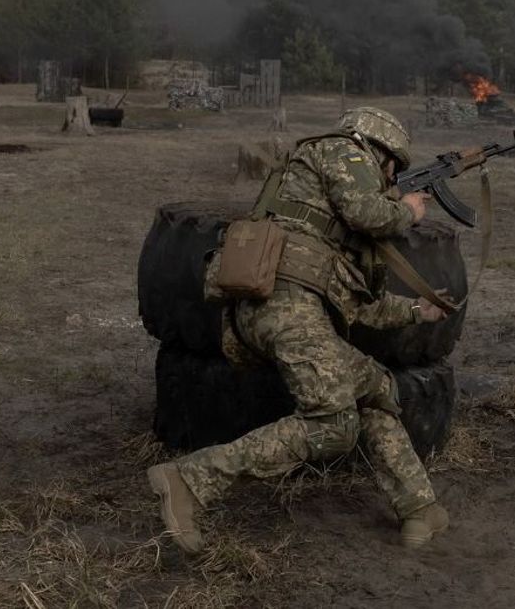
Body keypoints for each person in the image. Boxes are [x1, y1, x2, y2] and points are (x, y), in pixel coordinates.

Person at [148, 107, 451, 553]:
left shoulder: (320, 217)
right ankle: (190, 480)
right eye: (392, 170)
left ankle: (419, 508)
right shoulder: (342, 150)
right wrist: (406, 210)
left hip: (273, 309)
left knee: (375, 387)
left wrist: (416, 311)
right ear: (380, 149)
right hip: (287, 307)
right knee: (333, 424)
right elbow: (369, 212)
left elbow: (357, 304)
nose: (390, 179)